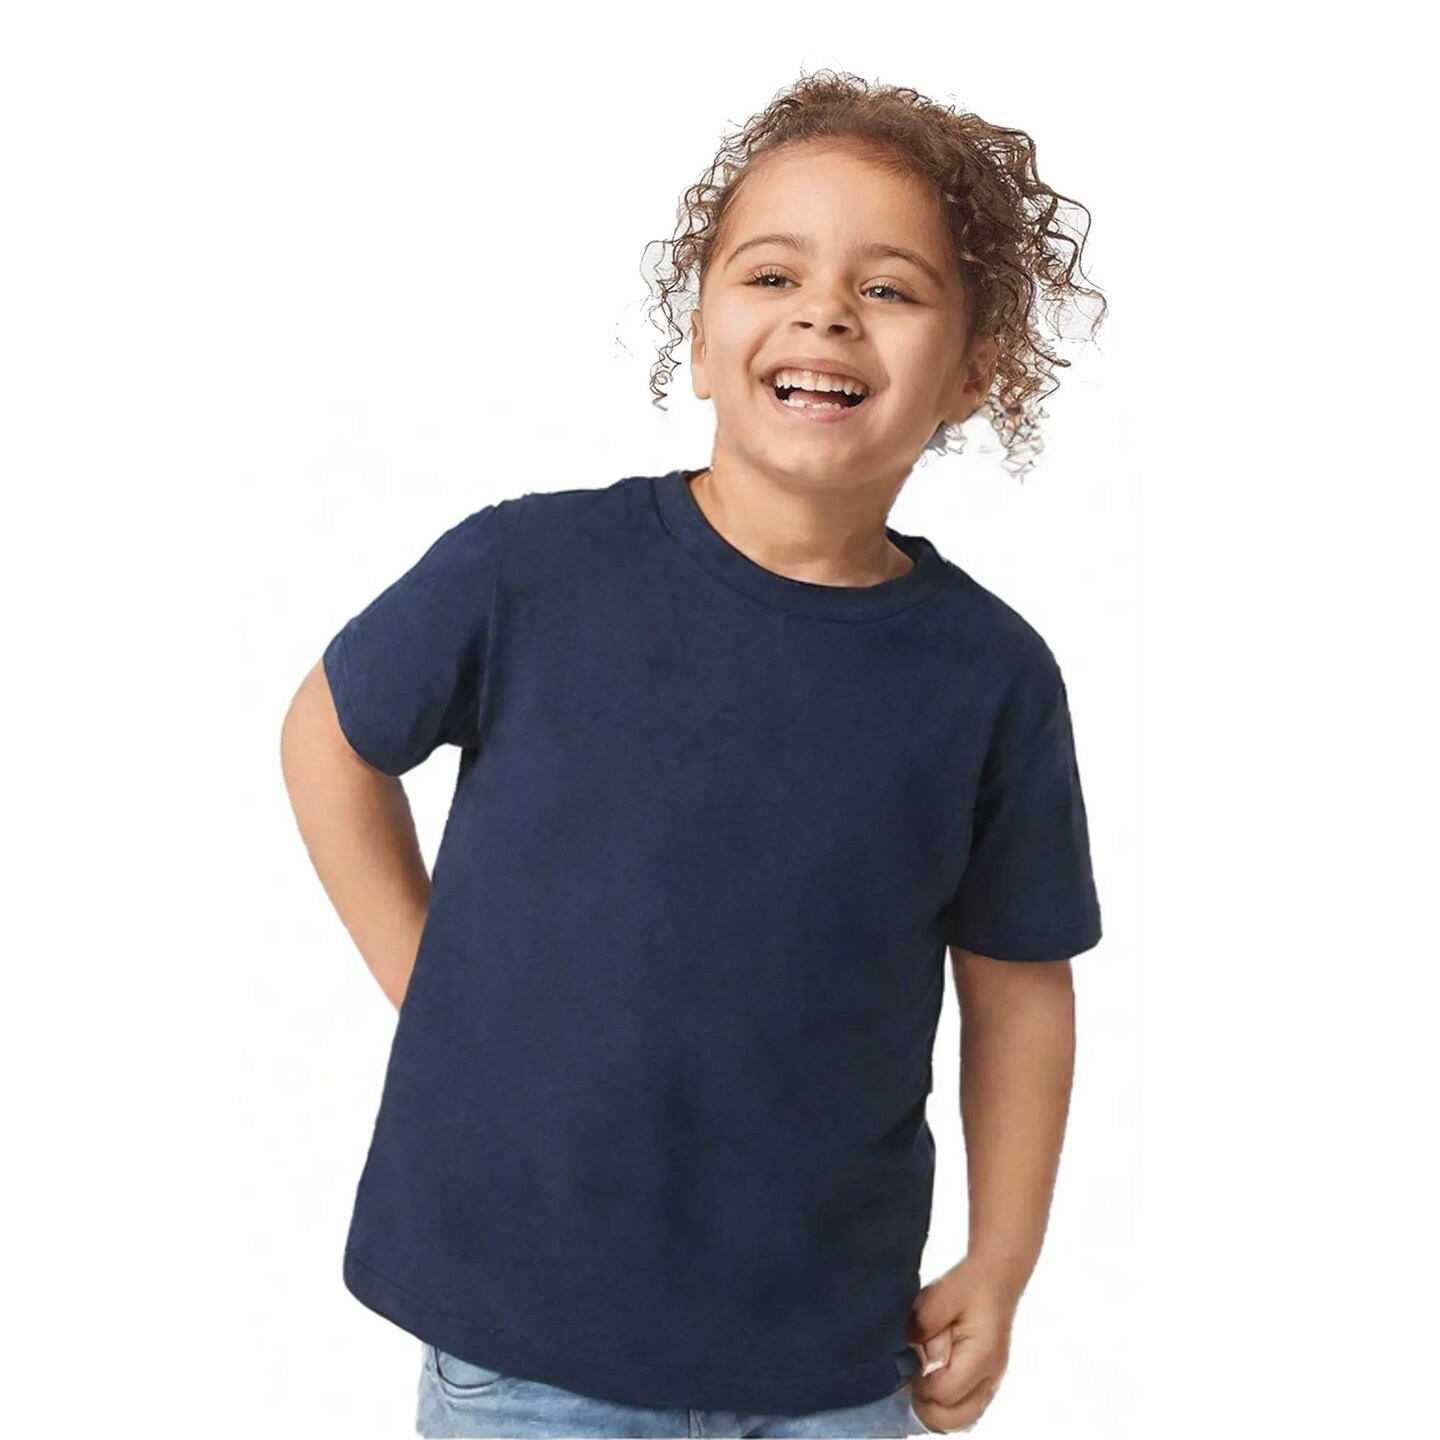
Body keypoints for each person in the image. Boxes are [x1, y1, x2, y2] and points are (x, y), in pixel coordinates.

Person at [281, 69, 1107, 1440]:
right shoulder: (531, 570)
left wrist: (1002, 1260)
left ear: (976, 373)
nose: (826, 311)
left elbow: (1021, 989)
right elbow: (329, 733)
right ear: (703, 335)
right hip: (528, 1343)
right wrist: (429, 985)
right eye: (772, 274)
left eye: (889, 288)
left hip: (831, 1358)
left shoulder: (990, 677)